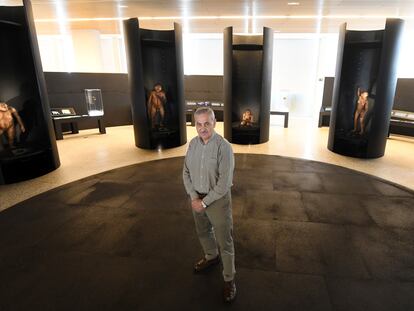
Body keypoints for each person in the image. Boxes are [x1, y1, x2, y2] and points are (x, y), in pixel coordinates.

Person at [182, 107, 236, 303]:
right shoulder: (193, 145)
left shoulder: (224, 147)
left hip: (217, 201)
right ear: (194, 125)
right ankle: (211, 256)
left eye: (207, 123)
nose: (202, 128)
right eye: (198, 124)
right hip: (197, 200)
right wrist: (193, 197)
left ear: (214, 123)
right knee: (203, 232)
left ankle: (229, 279)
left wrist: (203, 202)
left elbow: (225, 183)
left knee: (225, 242)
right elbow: (186, 172)